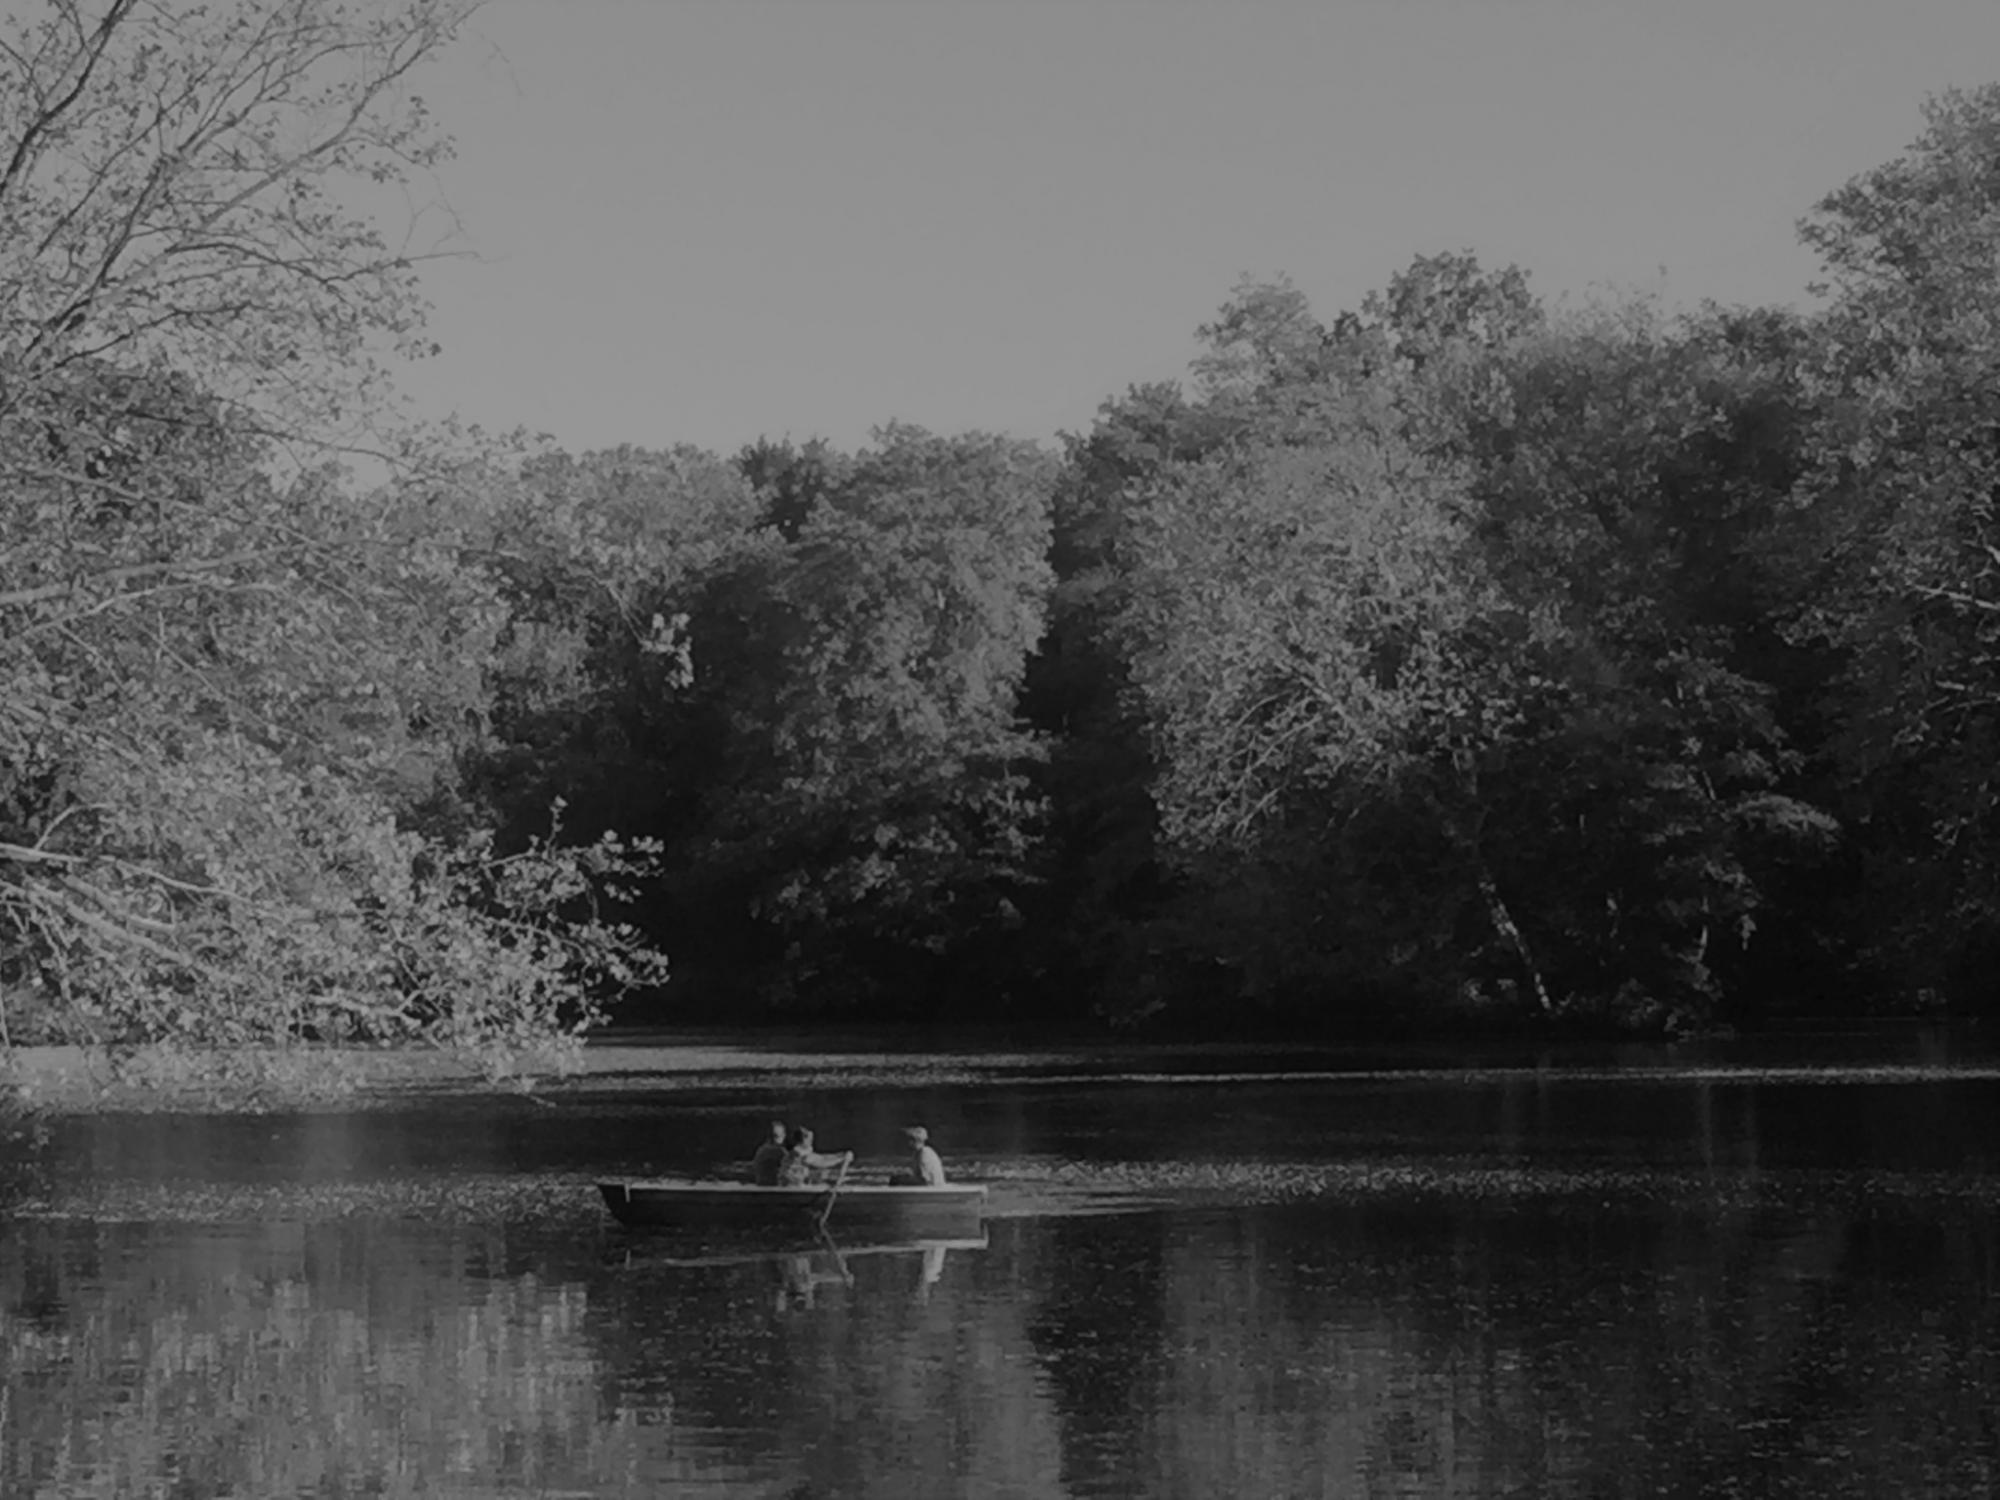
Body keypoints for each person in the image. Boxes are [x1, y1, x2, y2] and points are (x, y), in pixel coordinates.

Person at [777, 1126, 853, 1187]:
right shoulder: (800, 1153)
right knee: (822, 1184)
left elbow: (822, 1157)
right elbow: (822, 1162)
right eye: (810, 1140)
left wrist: (840, 1155)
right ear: (803, 1140)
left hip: (790, 1183)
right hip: (791, 1186)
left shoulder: (795, 1151)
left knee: (820, 1182)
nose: (811, 1143)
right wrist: (841, 1159)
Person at [750, 1120, 787, 1186]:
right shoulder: (779, 1151)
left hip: (762, 1188)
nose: (774, 1140)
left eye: (777, 1136)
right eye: (774, 1136)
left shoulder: (760, 1150)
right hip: (774, 1190)